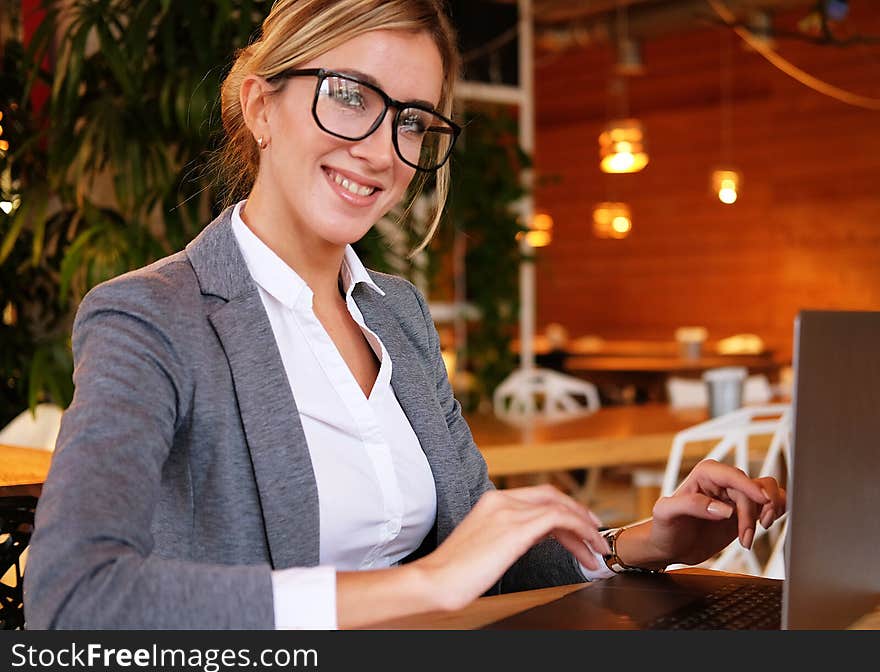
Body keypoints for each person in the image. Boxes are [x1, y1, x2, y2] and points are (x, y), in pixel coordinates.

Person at [23, 0, 786, 630]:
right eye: (350, 94)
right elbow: (72, 598)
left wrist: (645, 541)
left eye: (413, 120)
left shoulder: (399, 314)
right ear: (260, 105)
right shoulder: (152, 316)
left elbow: (489, 558)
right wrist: (425, 586)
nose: (383, 151)